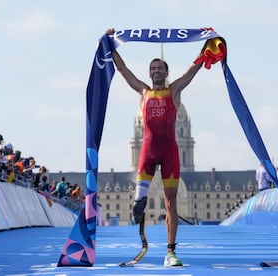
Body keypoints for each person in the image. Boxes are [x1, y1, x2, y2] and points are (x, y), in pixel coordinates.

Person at [106, 28, 205, 266]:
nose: (156, 71)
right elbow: (123, 70)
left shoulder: (175, 90)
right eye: (153, 68)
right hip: (148, 152)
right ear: (149, 73)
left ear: (167, 72)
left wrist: (207, 43)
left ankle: (170, 251)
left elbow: (195, 68)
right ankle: (139, 203)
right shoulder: (144, 91)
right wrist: (110, 45)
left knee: (171, 202)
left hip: (170, 151)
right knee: (140, 200)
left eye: (160, 68)